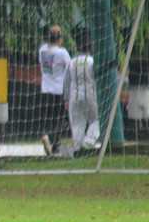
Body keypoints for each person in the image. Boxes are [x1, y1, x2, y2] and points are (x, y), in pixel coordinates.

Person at [38, 24, 71, 155]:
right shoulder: (62, 52)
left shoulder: (42, 50)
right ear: (59, 39)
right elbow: (70, 68)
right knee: (60, 119)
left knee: (49, 118)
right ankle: (56, 146)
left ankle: (47, 137)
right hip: (59, 90)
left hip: (45, 89)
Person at [64, 39, 101, 151]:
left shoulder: (71, 62)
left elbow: (66, 82)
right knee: (96, 120)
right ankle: (89, 141)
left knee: (77, 124)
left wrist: (66, 99)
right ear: (90, 49)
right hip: (90, 96)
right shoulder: (92, 61)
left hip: (74, 97)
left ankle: (78, 147)